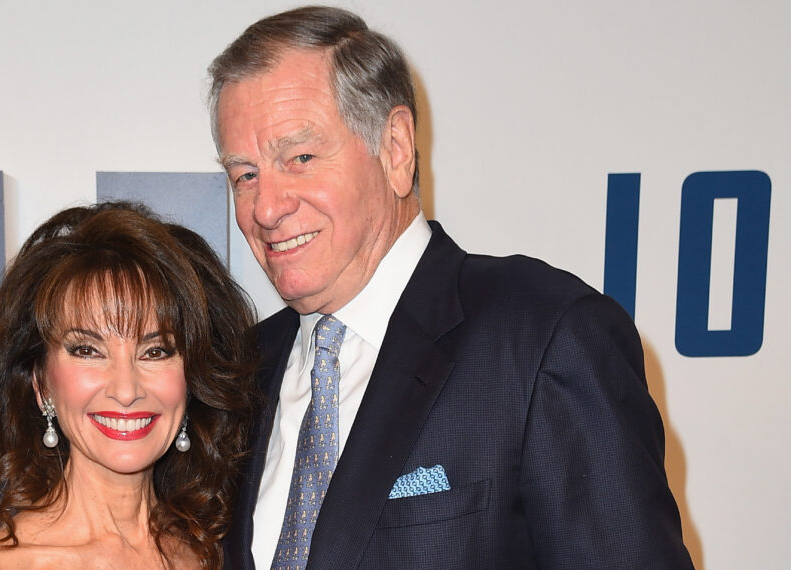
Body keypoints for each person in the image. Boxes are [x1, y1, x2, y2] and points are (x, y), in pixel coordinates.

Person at [207, 6, 694, 569]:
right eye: (244, 174)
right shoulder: (239, 373)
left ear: (395, 148)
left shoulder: (543, 338)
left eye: (301, 157)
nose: (266, 208)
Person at [0, 201, 257, 569]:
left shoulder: (211, 552)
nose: (126, 390)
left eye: (155, 351)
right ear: (41, 382)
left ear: (192, 379)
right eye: (88, 350)